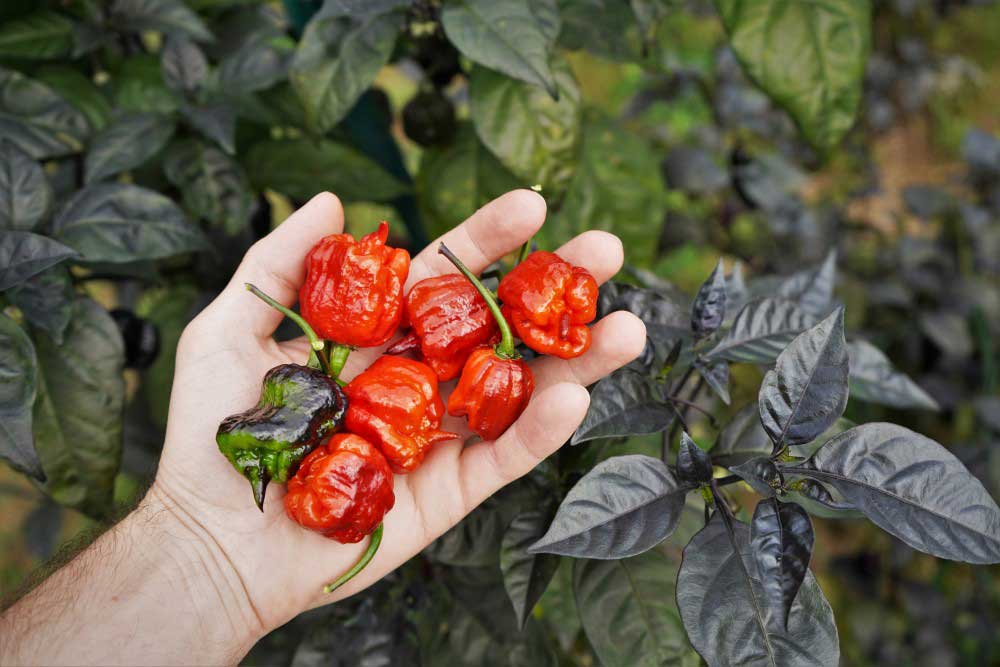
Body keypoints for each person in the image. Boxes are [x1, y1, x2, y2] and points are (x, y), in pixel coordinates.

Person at [0, 190, 646, 665]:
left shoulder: (416, 372)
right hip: (385, 419)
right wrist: (196, 546)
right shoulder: (381, 391)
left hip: (399, 412)